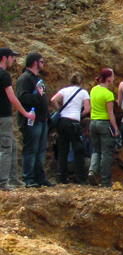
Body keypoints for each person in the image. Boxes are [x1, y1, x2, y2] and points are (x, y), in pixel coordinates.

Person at [16, 52, 54, 188]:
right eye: (42, 61)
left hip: (41, 119)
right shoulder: (25, 78)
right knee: (31, 149)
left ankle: (40, 178)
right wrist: (38, 97)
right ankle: (29, 179)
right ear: (35, 63)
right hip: (31, 120)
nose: (43, 64)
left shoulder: (37, 78)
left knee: (40, 150)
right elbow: (22, 97)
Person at [0, 47, 35, 191]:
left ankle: (12, 178)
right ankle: (3, 182)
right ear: (4, 58)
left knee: (13, 146)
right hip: (3, 117)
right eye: (11, 57)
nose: (13, 60)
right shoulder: (4, 75)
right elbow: (12, 98)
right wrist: (26, 114)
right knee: (6, 148)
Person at [51, 72, 90, 185]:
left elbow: (53, 99)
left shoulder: (65, 90)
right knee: (78, 149)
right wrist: (79, 115)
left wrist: (60, 109)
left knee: (63, 150)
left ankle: (61, 177)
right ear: (81, 82)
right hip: (74, 122)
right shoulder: (83, 92)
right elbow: (87, 109)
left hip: (62, 121)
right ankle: (80, 178)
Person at [88, 68, 120, 187]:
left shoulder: (94, 90)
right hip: (104, 124)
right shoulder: (108, 94)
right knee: (106, 153)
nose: (113, 79)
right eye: (112, 76)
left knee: (96, 150)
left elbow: (91, 107)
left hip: (93, 123)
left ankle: (92, 171)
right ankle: (106, 180)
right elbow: (110, 113)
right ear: (108, 78)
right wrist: (115, 128)